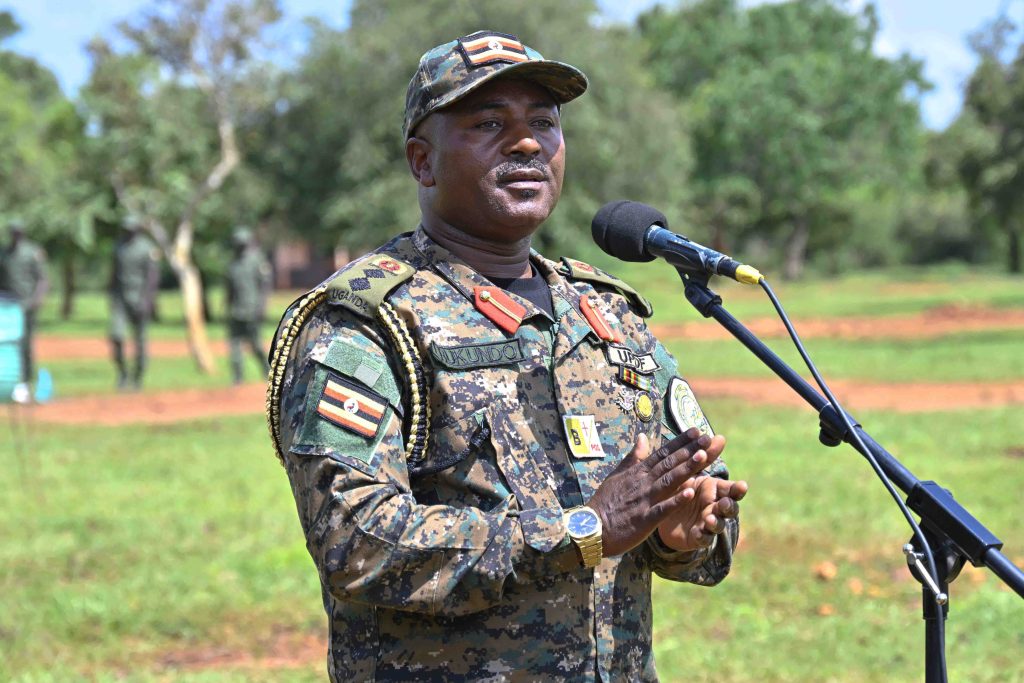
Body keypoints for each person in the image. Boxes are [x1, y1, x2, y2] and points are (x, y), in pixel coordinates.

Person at [267, 30, 748, 682]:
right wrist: (582, 529)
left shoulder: (606, 312)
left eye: (543, 123)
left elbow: (680, 512)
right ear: (423, 161)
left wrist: (681, 531)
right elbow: (356, 541)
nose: (527, 143)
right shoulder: (365, 320)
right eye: (489, 123)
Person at [109, 216, 160, 390]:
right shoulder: (118, 246)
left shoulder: (146, 248)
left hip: (140, 298)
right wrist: (112, 296)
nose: (127, 231)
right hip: (120, 299)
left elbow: (152, 277)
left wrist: (147, 300)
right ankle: (122, 373)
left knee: (140, 341)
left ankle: (138, 377)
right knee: (116, 335)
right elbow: (114, 273)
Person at [0, 220, 49, 398]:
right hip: (7, 308)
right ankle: (7, 383)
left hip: (27, 307)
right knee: (7, 345)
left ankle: (26, 382)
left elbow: (43, 280)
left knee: (26, 345)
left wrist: (36, 300)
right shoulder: (4, 254)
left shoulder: (32, 253)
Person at [225, 225, 271, 384]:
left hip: (252, 310)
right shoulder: (233, 264)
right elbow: (230, 289)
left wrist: (262, 306)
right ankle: (238, 379)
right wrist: (227, 306)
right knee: (235, 346)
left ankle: (268, 373)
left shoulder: (256, 260)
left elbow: (265, 285)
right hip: (236, 311)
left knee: (256, 345)